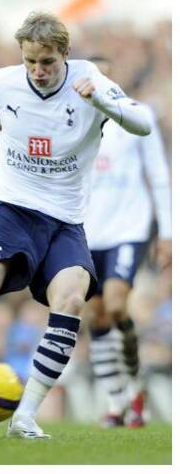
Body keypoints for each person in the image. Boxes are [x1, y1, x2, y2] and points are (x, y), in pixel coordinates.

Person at [0, 11, 151, 439]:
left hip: (65, 219)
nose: (39, 71)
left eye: (48, 62)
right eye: (31, 61)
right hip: (10, 207)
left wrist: (103, 103)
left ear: (65, 54)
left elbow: (142, 123)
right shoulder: (1, 83)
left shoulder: (91, 79)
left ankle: (25, 416)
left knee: (71, 300)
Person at [83, 56, 171, 428]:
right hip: (86, 232)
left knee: (117, 305)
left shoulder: (137, 116)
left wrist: (167, 232)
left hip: (128, 229)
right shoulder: (75, 124)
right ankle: (118, 400)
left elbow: (159, 176)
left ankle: (135, 384)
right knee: (95, 314)